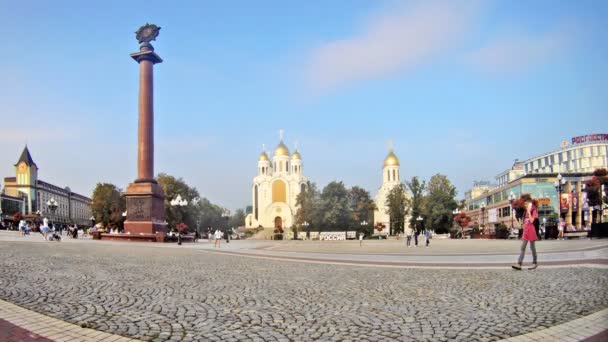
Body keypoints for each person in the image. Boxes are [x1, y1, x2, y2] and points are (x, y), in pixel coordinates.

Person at [512, 198, 538, 270]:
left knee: (532, 248)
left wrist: (529, 212)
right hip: (526, 231)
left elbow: (532, 220)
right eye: (525, 204)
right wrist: (515, 219)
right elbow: (522, 224)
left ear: (530, 204)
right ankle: (519, 264)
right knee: (523, 247)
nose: (525, 205)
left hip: (531, 230)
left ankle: (534, 263)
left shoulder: (533, 210)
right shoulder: (524, 213)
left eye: (526, 204)